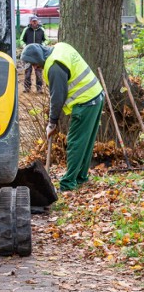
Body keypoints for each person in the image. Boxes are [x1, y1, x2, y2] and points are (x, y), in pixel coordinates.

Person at [21, 43, 104, 192]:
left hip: (86, 102)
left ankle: (68, 183)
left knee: (75, 143)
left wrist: (52, 122)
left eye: (34, 64)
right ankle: (80, 177)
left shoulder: (54, 66)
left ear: (38, 58)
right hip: (95, 95)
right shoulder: (60, 48)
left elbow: (58, 97)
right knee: (85, 142)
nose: (34, 68)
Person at [20, 16, 48, 93]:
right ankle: (27, 88)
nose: (35, 22)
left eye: (36, 21)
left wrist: (43, 45)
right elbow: (21, 40)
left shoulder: (42, 30)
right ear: (30, 22)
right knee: (27, 72)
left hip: (38, 55)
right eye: (33, 21)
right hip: (28, 55)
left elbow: (46, 40)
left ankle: (39, 89)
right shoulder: (26, 30)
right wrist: (24, 46)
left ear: (38, 22)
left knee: (38, 72)